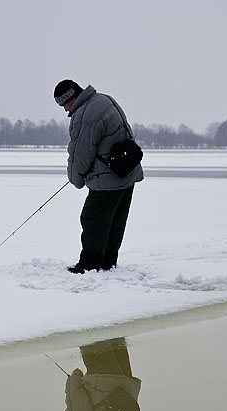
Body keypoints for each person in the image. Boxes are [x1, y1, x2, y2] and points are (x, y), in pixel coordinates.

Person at [53, 79, 144, 274]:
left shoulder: (84, 114)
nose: (65, 110)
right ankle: (108, 262)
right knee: (115, 220)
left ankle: (90, 265)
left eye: (64, 105)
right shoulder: (104, 100)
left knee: (92, 218)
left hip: (108, 177)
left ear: (71, 98)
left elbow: (80, 152)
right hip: (126, 171)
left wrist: (76, 179)